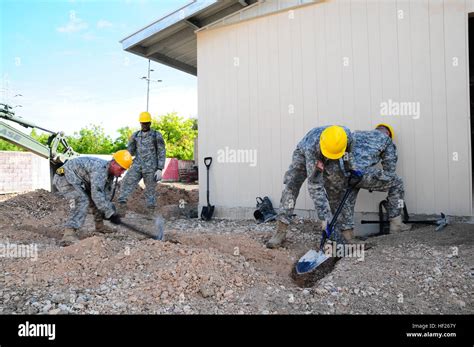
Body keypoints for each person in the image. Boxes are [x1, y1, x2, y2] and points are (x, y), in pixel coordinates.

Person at [267, 125, 356, 249]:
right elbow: (315, 185)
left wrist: (351, 169)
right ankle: (280, 231)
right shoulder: (312, 147)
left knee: (337, 188)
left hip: (334, 154)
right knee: (291, 186)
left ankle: (347, 234)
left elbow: (349, 153)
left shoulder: (346, 136)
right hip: (305, 154)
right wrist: (324, 220)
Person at [332, 123, 410, 242]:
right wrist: (376, 181)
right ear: (388, 133)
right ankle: (397, 225)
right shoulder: (386, 140)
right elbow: (390, 170)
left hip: (342, 172)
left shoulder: (356, 133)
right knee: (397, 182)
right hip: (361, 174)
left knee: (348, 197)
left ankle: (347, 236)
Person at [53, 150, 133, 246]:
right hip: (65, 178)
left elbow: (103, 197)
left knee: (98, 200)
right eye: (121, 169)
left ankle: (99, 226)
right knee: (82, 200)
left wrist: (109, 212)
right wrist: (110, 213)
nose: (122, 173)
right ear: (114, 163)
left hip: (79, 181)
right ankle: (69, 234)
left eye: (124, 170)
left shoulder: (110, 175)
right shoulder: (100, 169)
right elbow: (97, 195)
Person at [117, 111, 166, 219]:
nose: (144, 125)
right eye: (143, 123)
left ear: (150, 123)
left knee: (150, 190)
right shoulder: (135, 136)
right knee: (126, 183)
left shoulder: (156, 135)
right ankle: (121, 209)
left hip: (151, 168)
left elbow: (161, 152)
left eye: (146, 123)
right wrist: (122, 163)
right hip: (137, 166)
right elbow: (130, 151)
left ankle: (150, 212)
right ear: (140, 123)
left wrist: (159, 168)